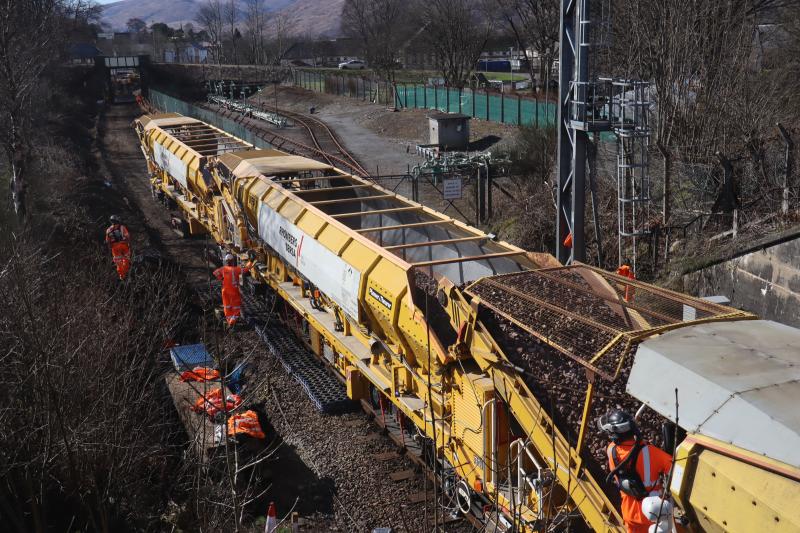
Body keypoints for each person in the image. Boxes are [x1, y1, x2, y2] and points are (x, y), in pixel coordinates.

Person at [598, 409, 673, 533]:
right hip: (653, 513)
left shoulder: (611, 450)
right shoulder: (652, 452)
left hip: (630, 512)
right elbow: (675, 469)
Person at [213, 253, 251, 326]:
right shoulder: (236, 269)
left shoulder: (223, 269)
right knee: (236, 306)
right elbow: (245, 269)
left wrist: (221, 278)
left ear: (226, 261)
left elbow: (215, 272)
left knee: (227, 305)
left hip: (225, 291)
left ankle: (229, 320)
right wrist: (251, 261)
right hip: (233, 291)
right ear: (232, 261)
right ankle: (232, 321)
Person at [105, 215, 131, 280]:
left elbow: (107, 241)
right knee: (126, 258)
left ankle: (122, 276)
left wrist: (110, 247)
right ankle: (126, 272)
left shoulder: (108, 230)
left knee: (118, 262)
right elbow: (127, 236)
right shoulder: (122, 227)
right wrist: (128, 243)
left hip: (115, 247)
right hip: (123, 245)